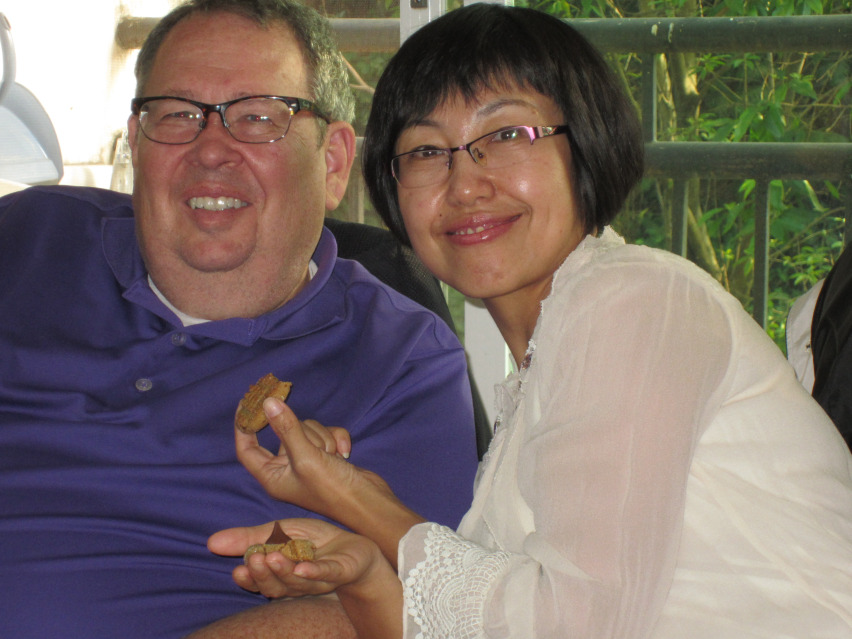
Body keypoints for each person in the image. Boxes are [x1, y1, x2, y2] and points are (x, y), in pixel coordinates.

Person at [207, 4, 852, 638]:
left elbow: (570, 627)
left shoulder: (633, 301)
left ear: (587, 146)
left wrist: (358, 502)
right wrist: (365, 570)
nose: (465, 184)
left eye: (507, 136)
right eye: (427, 151)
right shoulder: (540, 377)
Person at [0, 1, 479, 637]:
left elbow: (409, 614)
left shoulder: (402, 362)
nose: (211, 152)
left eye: (258, 117)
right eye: (177, 114)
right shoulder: (29, 237)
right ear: (137, 144)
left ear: (333, 162)